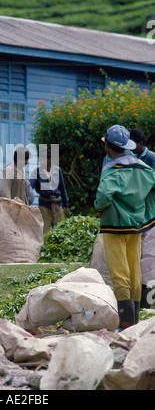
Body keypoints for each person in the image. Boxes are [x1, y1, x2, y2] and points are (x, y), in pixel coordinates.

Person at [94, 124, 155, 331]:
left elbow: (103, 197)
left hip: (114, 226)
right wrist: (145, 210)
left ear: (109, 147)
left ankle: (126, 322)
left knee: (119, 273)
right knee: (134, 270)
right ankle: (135, 320)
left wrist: (99, 208)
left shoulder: (111, 170)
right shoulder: (144, 168)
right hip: (137, 227)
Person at [30, 148, 70, 234]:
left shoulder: (57, 170)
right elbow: (29, 186)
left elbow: (62, 188)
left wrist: (66, 205)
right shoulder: (37, 172)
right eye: (40, 159)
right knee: (45, 232)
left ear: (49, 159)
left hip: (57, 205)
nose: (42, 161)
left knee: (60, 232)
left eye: (44, 159)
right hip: (44, 206)